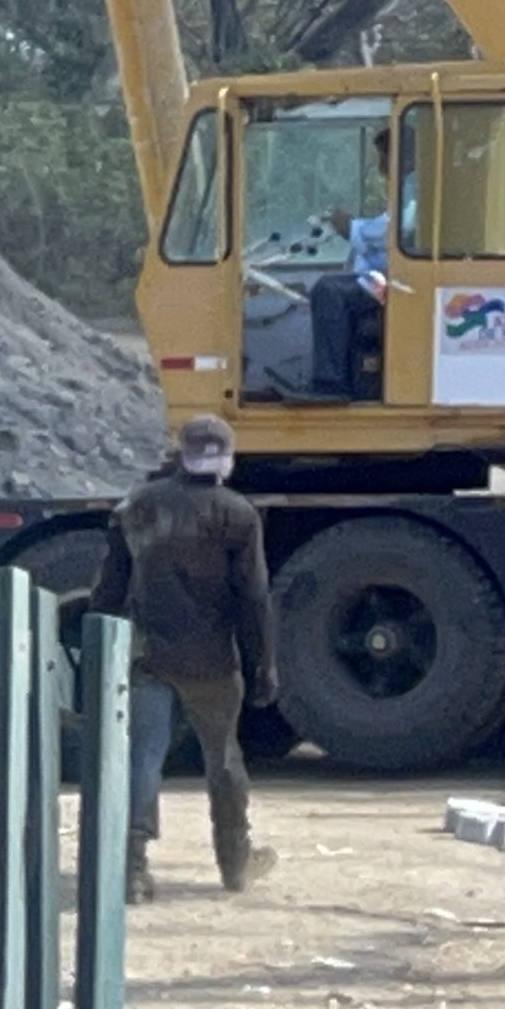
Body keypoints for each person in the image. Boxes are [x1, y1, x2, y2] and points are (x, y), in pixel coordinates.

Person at [88, 414, 278, 904]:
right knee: (224, 760)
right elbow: (253, 597)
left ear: (181, 452)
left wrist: (98, 651)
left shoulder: (136, 506)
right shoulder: (237, 514)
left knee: (144, 758)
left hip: (150, 656)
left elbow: (108, 588)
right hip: (213, 662)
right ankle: (235, 863)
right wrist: (264, 664)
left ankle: (132, 869)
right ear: (227, 460)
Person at [305, 126, 413, 401]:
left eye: (384, 157)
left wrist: (349, 226)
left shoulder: (415, 187)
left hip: (401, 282)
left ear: (404, 155)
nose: (380, 167)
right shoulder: (405, 188)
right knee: (338, 283)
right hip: (390, 274)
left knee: (328, 291)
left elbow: (390, 233)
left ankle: (331, 382)